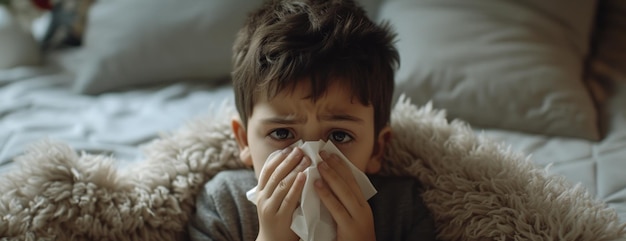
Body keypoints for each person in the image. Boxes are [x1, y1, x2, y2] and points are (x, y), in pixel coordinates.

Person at [189, 0, 437, 240]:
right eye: (282, 133)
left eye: (339, 136)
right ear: (244, 141)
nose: (311, 161)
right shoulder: (224, 205)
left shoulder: (403, 210)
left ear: (377, 149)